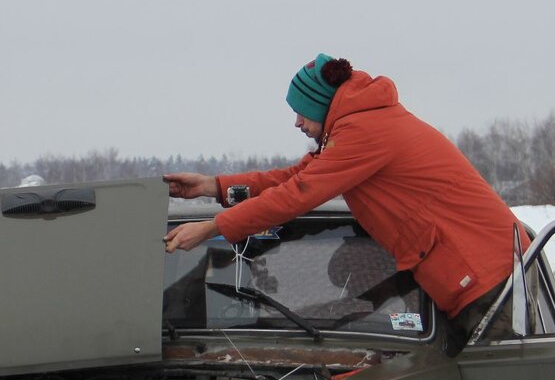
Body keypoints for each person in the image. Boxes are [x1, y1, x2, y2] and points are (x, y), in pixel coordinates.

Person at [164, 54, 528, 347]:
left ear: (323, 105)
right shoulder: (359, 129)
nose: (297, 122)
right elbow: (294, 178)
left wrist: (213, 227)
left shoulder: (365, 132)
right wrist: (212, 185)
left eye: (302, 111)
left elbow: (298, 194)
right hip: (483, 274)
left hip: (492, 280)